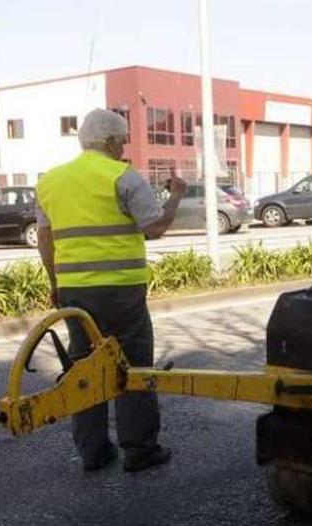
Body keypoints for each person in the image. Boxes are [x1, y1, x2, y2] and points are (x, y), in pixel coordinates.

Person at [36, 109, 187, 471]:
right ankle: (139, 450)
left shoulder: (51, 181)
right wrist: (176, 195)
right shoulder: (122, 177)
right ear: (109, 141)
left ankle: (93, 452)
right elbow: (156, 226)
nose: (124, 147)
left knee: (84, 367)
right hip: (121, 291)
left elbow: (44, 237)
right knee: (133, 365)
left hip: (74, 293)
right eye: (122, 140)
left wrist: (55, 284)